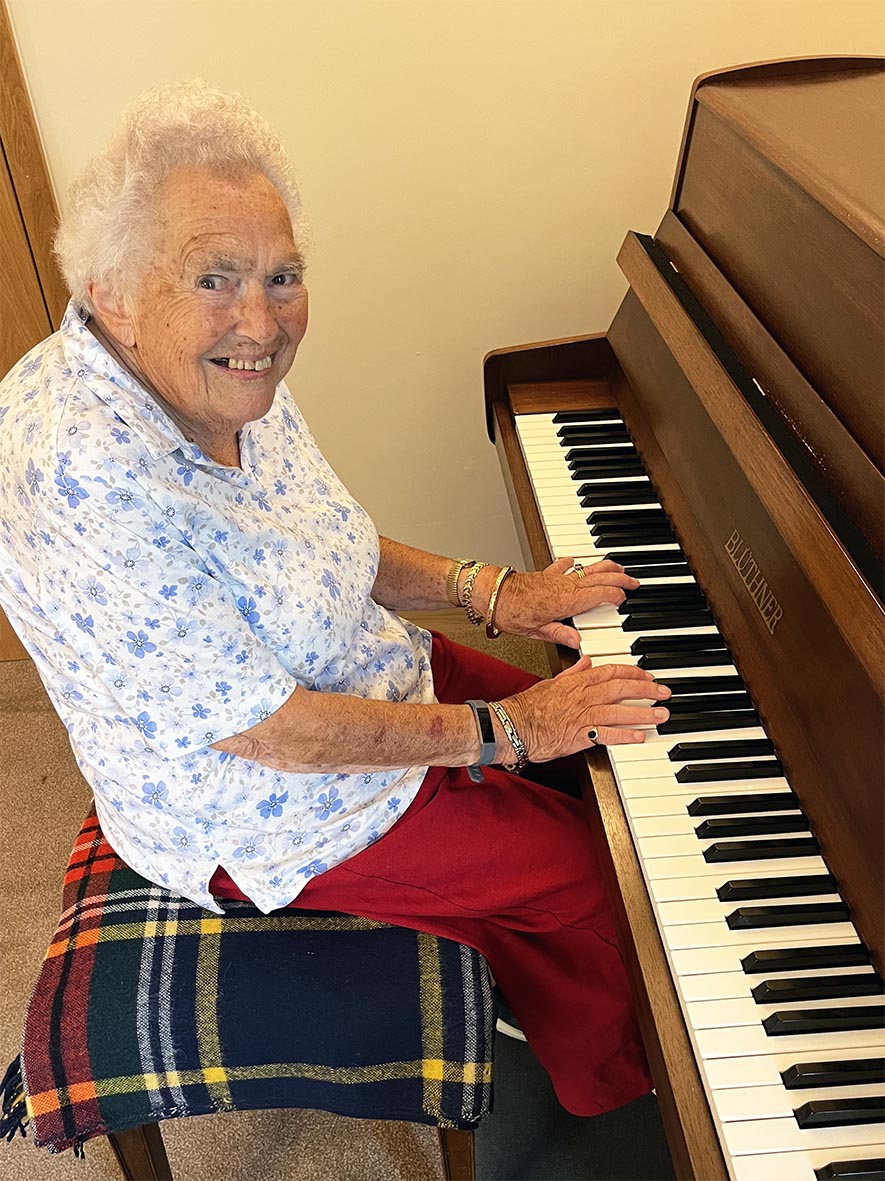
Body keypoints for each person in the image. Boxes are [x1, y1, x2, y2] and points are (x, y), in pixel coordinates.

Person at [0, 81, 671, 1119]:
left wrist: (489, 590)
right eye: (214, 278)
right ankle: (637, 1100)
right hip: (260, 800)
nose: (261, 319)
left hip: (347, 666)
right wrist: (504, 726)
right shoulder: (88, 471)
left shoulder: (223, 366)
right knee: (589, 876)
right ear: (114, 292)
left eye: (282, 275)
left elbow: (329, 542)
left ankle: (537, 970)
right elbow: (269, 733)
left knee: (606, 744)